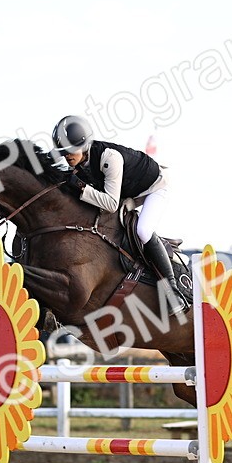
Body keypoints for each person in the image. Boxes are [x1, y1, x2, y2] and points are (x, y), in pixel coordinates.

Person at [51, 115, 185, 314]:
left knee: (143, 230)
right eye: (63, 153)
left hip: (155, 187)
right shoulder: (79, 164)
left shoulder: (108, 157)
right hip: (129, 193)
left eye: (70, 151)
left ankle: (172, 290)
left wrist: (80, 187)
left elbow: (111, 204)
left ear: (84, 145)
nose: (67, 156)